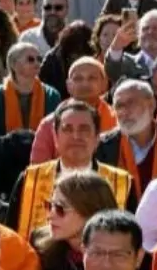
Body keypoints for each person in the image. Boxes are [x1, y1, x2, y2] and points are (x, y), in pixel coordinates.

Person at [9, 100, 133, 239]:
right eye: (67, 129)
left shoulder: (123, 183)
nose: (76, 136)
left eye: (84, 129)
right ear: (55, 138)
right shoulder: (29, 180)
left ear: (97, 138)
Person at [33, 170, 119, 270]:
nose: (50, 216)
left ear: (90, 212)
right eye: (50, 206)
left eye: (60, 209)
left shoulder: (120, 258)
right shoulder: (39, 247)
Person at [0, 43, 60, 163]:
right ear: (14, 65)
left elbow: (53, 132)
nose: (37, 63)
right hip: (2, 156)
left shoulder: (51, 95)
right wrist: (12, 152)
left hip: (42, 155)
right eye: (30, 59)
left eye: (39, 59)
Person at [95, 79, 157, 196]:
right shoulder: (101, 146)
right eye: (119, 106)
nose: (124, 111)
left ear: (151, 104)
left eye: (131, 103)